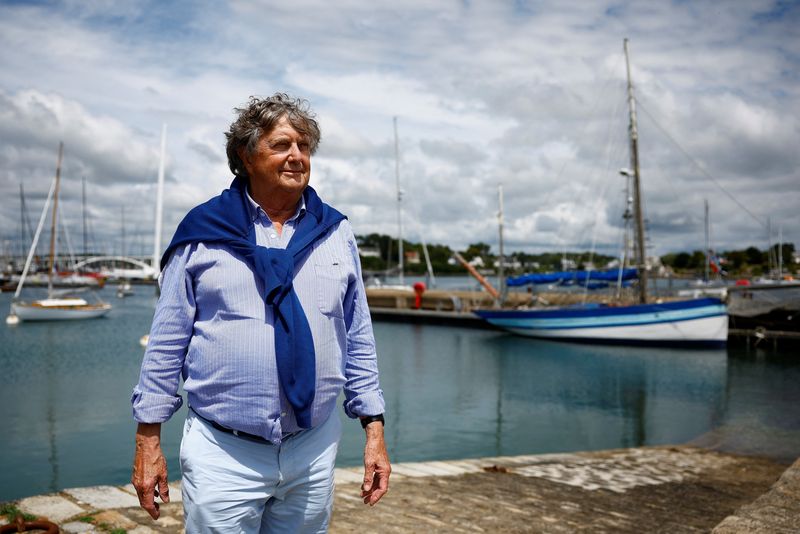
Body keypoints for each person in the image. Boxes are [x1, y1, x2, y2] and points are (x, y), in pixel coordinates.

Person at [130, 93, 390, 533]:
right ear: (245, 156)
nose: (297, 156)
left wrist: (374, 428)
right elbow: (167, 341)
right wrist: (147, 438)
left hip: (313, 446)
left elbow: (358, 336)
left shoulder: (336, 232)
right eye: (282, 145)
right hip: (224, 450)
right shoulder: (202, 232)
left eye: (304, 146)